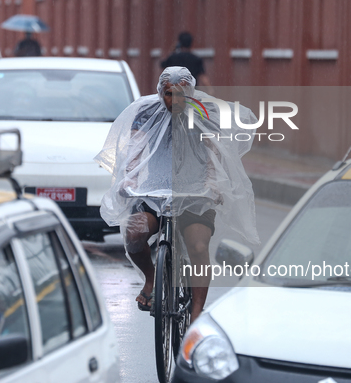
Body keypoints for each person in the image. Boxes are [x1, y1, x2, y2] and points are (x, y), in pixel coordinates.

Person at [95, 67, 259, 322]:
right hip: (153, 192)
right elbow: (134, 150)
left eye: (182, 93)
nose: (176, 101)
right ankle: (151, 279)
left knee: (198, 245)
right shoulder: (146, 112)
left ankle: (196, 313)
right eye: (170, 94)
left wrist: (213, 183)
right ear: (161, 92)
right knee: (134, 235)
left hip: (196, 193)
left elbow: (215, 150)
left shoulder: (206, 112)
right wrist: (129, 178)